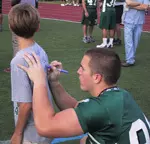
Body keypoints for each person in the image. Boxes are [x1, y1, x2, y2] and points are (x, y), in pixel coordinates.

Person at [18, 48, 150, 144]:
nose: (78, 71)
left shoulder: (103, 108)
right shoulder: (119, 95)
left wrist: (39, 81)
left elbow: (45, 126)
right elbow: (78, 110)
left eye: (83, 68)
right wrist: (54, 82)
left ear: (97, 77)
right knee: (85, 140)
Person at [9, 4, 53, 144]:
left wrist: (17, 133)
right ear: (38, 27)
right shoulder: (39, 49)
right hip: (45, 125)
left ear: (11, 27)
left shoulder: (18, 61)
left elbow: (25, 104)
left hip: (31, 133)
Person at [121, 0, 150, 67]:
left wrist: (132, 6)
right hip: (129, 20)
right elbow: (128, 3)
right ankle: (130, 59)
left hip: (139, 21)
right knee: (129, 41)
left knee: (135, 41)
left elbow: (146, 7)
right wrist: (140, 4)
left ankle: (130, 59)